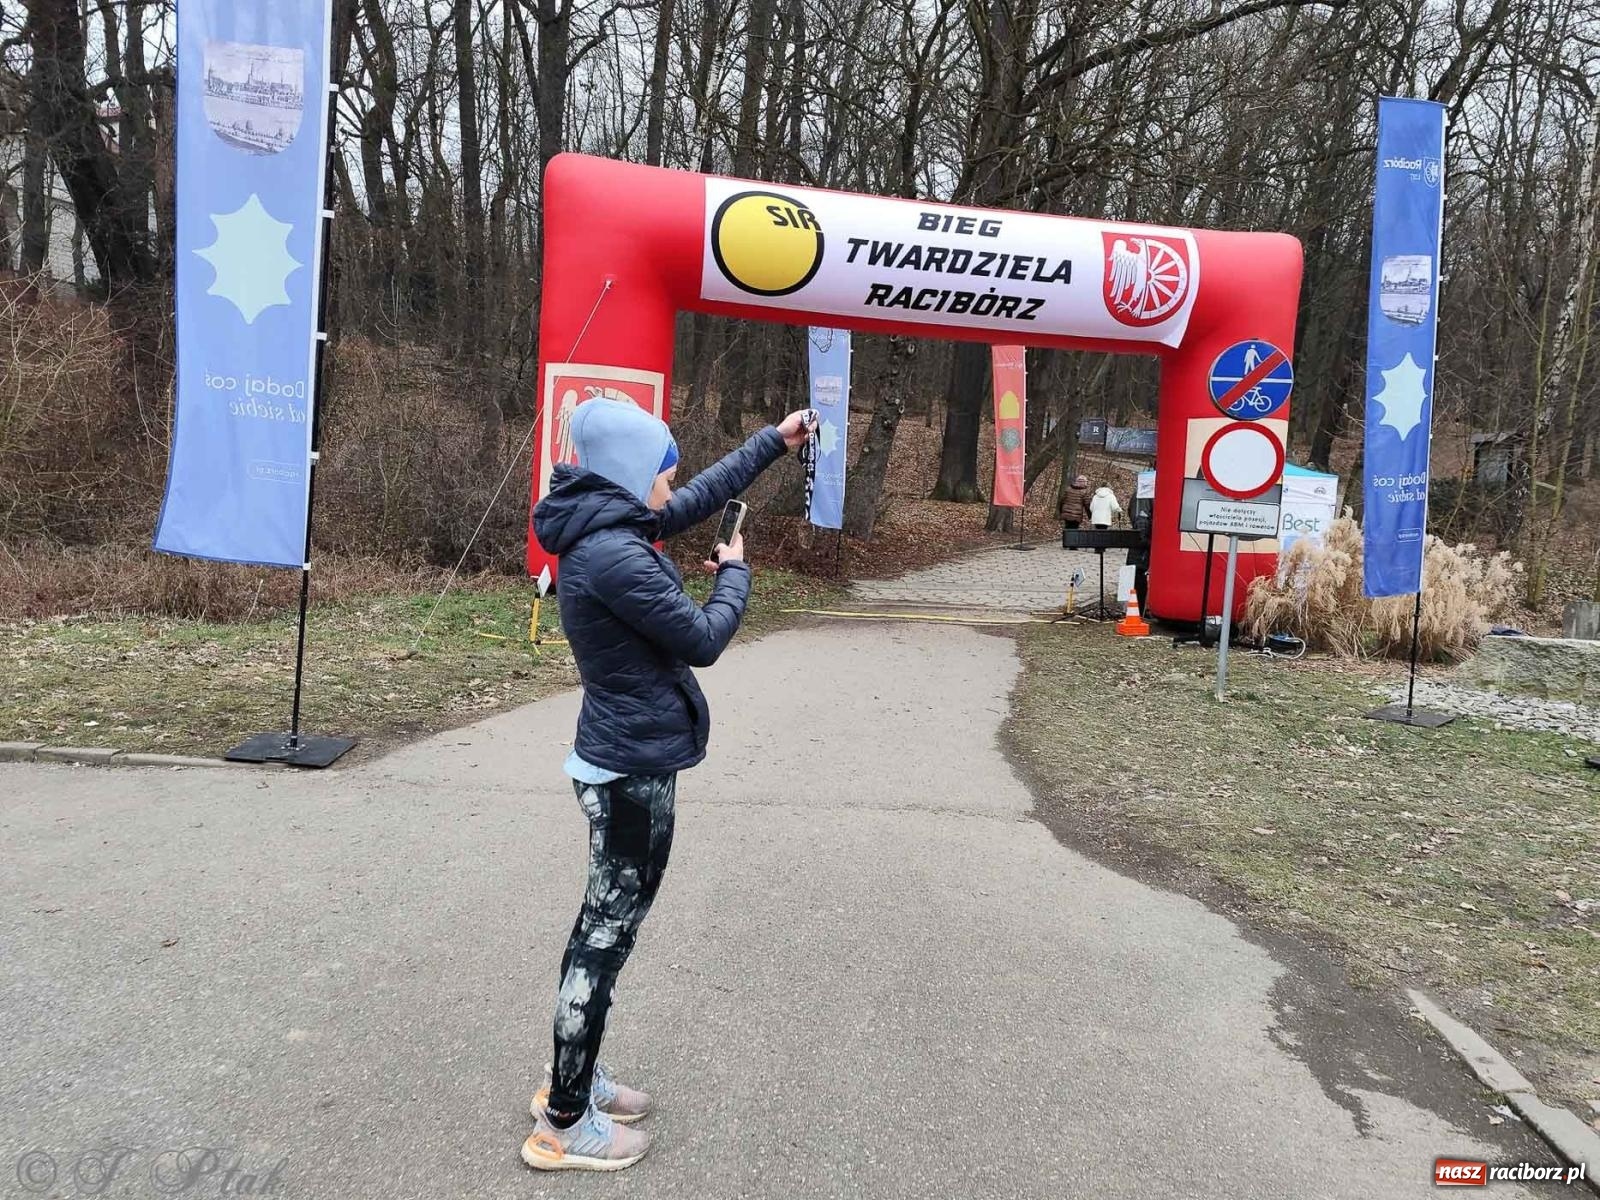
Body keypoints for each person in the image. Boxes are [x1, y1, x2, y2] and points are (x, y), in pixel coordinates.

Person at [523, 398, 815, 1173]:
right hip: (630, 774)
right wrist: (738, 574)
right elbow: (704, 640)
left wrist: (771, 444)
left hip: (623, 757)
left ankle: (571, 1079)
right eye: (663, 474)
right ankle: (564, 1121)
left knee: (601, 931)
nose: (672, 490)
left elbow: (689, 501)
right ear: (628, 475)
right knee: (603, 940)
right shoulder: (615, 556)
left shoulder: (605, 521)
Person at [1058, 474, 1091, 547]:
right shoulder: (1084, 492)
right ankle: (1073, 546)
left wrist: (1061, 511)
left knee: (1067, 527)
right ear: (1084, 483)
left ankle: (1066, 544)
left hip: (1066, 512)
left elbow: (1062, 500)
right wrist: (1090, 515)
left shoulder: (1068, 489)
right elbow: (1087, 504)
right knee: (1075, 528)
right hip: (1077, 513)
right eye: (1085, 482)